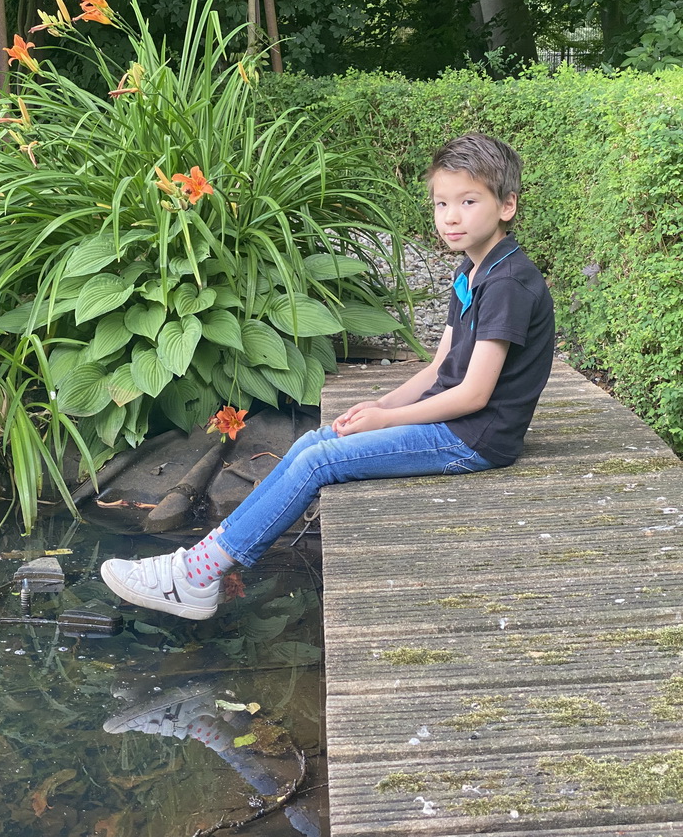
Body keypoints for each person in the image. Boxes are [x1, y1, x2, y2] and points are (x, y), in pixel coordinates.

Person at [101, 133, 555, 621]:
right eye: (441, 203)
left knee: (321, 462)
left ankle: (196, 575)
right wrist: (382, 407)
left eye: (468, 202)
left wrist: (385, 422)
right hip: (454, 426)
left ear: (507, 205)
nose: (451, 217)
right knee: (316, 442)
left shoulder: (508, 282)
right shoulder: (473, 271)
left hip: (474, 439)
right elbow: (439, 368)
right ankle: (199, 566)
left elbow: (473, 393)